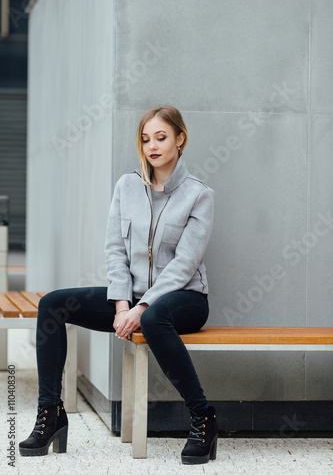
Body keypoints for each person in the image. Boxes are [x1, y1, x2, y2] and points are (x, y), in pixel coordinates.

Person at [19, 105, 217, 465]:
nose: (152, 146)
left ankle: (203, 417)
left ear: (180, 139)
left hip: (184, 298)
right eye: (145, 139)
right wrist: (123, 303)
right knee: (52, 303)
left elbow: (184, 265)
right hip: (133, 299)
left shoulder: (199, 195)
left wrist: (142, 308)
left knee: (155, 317)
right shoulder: (127, 186)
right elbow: (115, 249)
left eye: (161, 137)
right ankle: (51, 413)